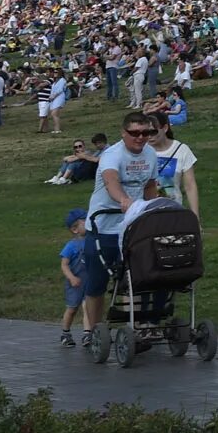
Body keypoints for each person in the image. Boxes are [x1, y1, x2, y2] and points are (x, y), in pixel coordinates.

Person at [79, 116, 162, 348]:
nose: (141, 138)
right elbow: (111, 181)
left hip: (130, 228)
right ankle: (92, 331)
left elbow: (149, 185)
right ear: (123, 132)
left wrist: (152, 208)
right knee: (97, 283)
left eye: (145, 133)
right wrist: (124, 200)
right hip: (103, 227)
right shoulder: (112, 155)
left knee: (135, 280)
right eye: (135, 133)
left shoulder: (150, 154)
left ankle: (135, 328)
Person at [146, 120, 201, 218]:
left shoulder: (181, 150)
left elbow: (190, 186)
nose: (149, 136)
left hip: (173, 210)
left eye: (153, 132)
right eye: (145, 132)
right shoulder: (141, 150)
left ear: (165, 128)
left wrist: (195, 217)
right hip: (145, 212)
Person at [57, 208, 88, 347]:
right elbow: (64, 265)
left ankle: (87, 334)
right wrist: (71, 277)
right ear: (75, 229)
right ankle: (66, 333)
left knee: (88, 306)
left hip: (89, 281)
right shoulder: (71, 246)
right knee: (72, 308)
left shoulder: (93, 242)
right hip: (75, 283)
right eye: (85, 221)